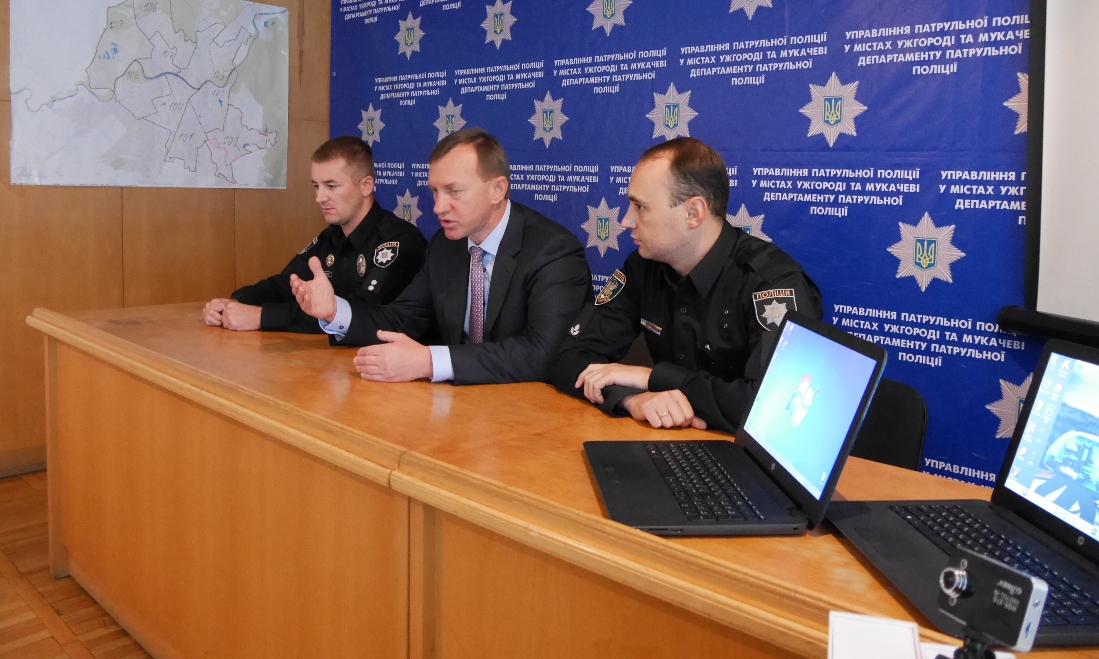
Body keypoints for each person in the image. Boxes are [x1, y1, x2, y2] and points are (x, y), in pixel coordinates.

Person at [550, 137, 823, 432]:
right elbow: (570, 357)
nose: (626, 221)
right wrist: (632, 399)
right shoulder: (642, 266)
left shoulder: (771, 283)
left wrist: (649, 378)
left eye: (640, 207)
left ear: (693, 213)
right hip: (667, 444)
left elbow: (775, 408)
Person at [290, 127, 592, 384]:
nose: (438, 207)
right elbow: (404, 317)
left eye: (453, 191)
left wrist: (429, 362)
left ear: (497, 190)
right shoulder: (445, 245)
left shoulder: (553, 251)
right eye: (435, 191)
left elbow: (543, 354)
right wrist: (335, 312)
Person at [203, 136, 426, 332]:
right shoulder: (331, 237)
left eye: (331, 186)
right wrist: (233, 303)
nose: (319, 198)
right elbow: (285, 285)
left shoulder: (398, 241)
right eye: (316, 186)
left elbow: (358, 312)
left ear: (366, 186)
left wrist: (262, 317)